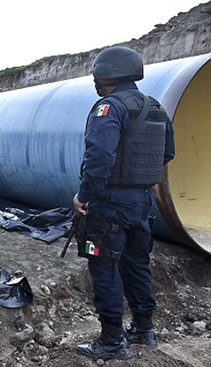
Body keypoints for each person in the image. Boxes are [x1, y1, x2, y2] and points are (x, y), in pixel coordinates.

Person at [72, 46, 175, 361]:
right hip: (142, 202)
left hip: (109, 203)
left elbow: (99, 158)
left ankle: (113, 341)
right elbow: (167, 153)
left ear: (106, 74)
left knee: (104, 267)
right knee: (136, 263)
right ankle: (144, 328)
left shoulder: (109, 107)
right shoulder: (155, 107)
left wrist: (85, 196)